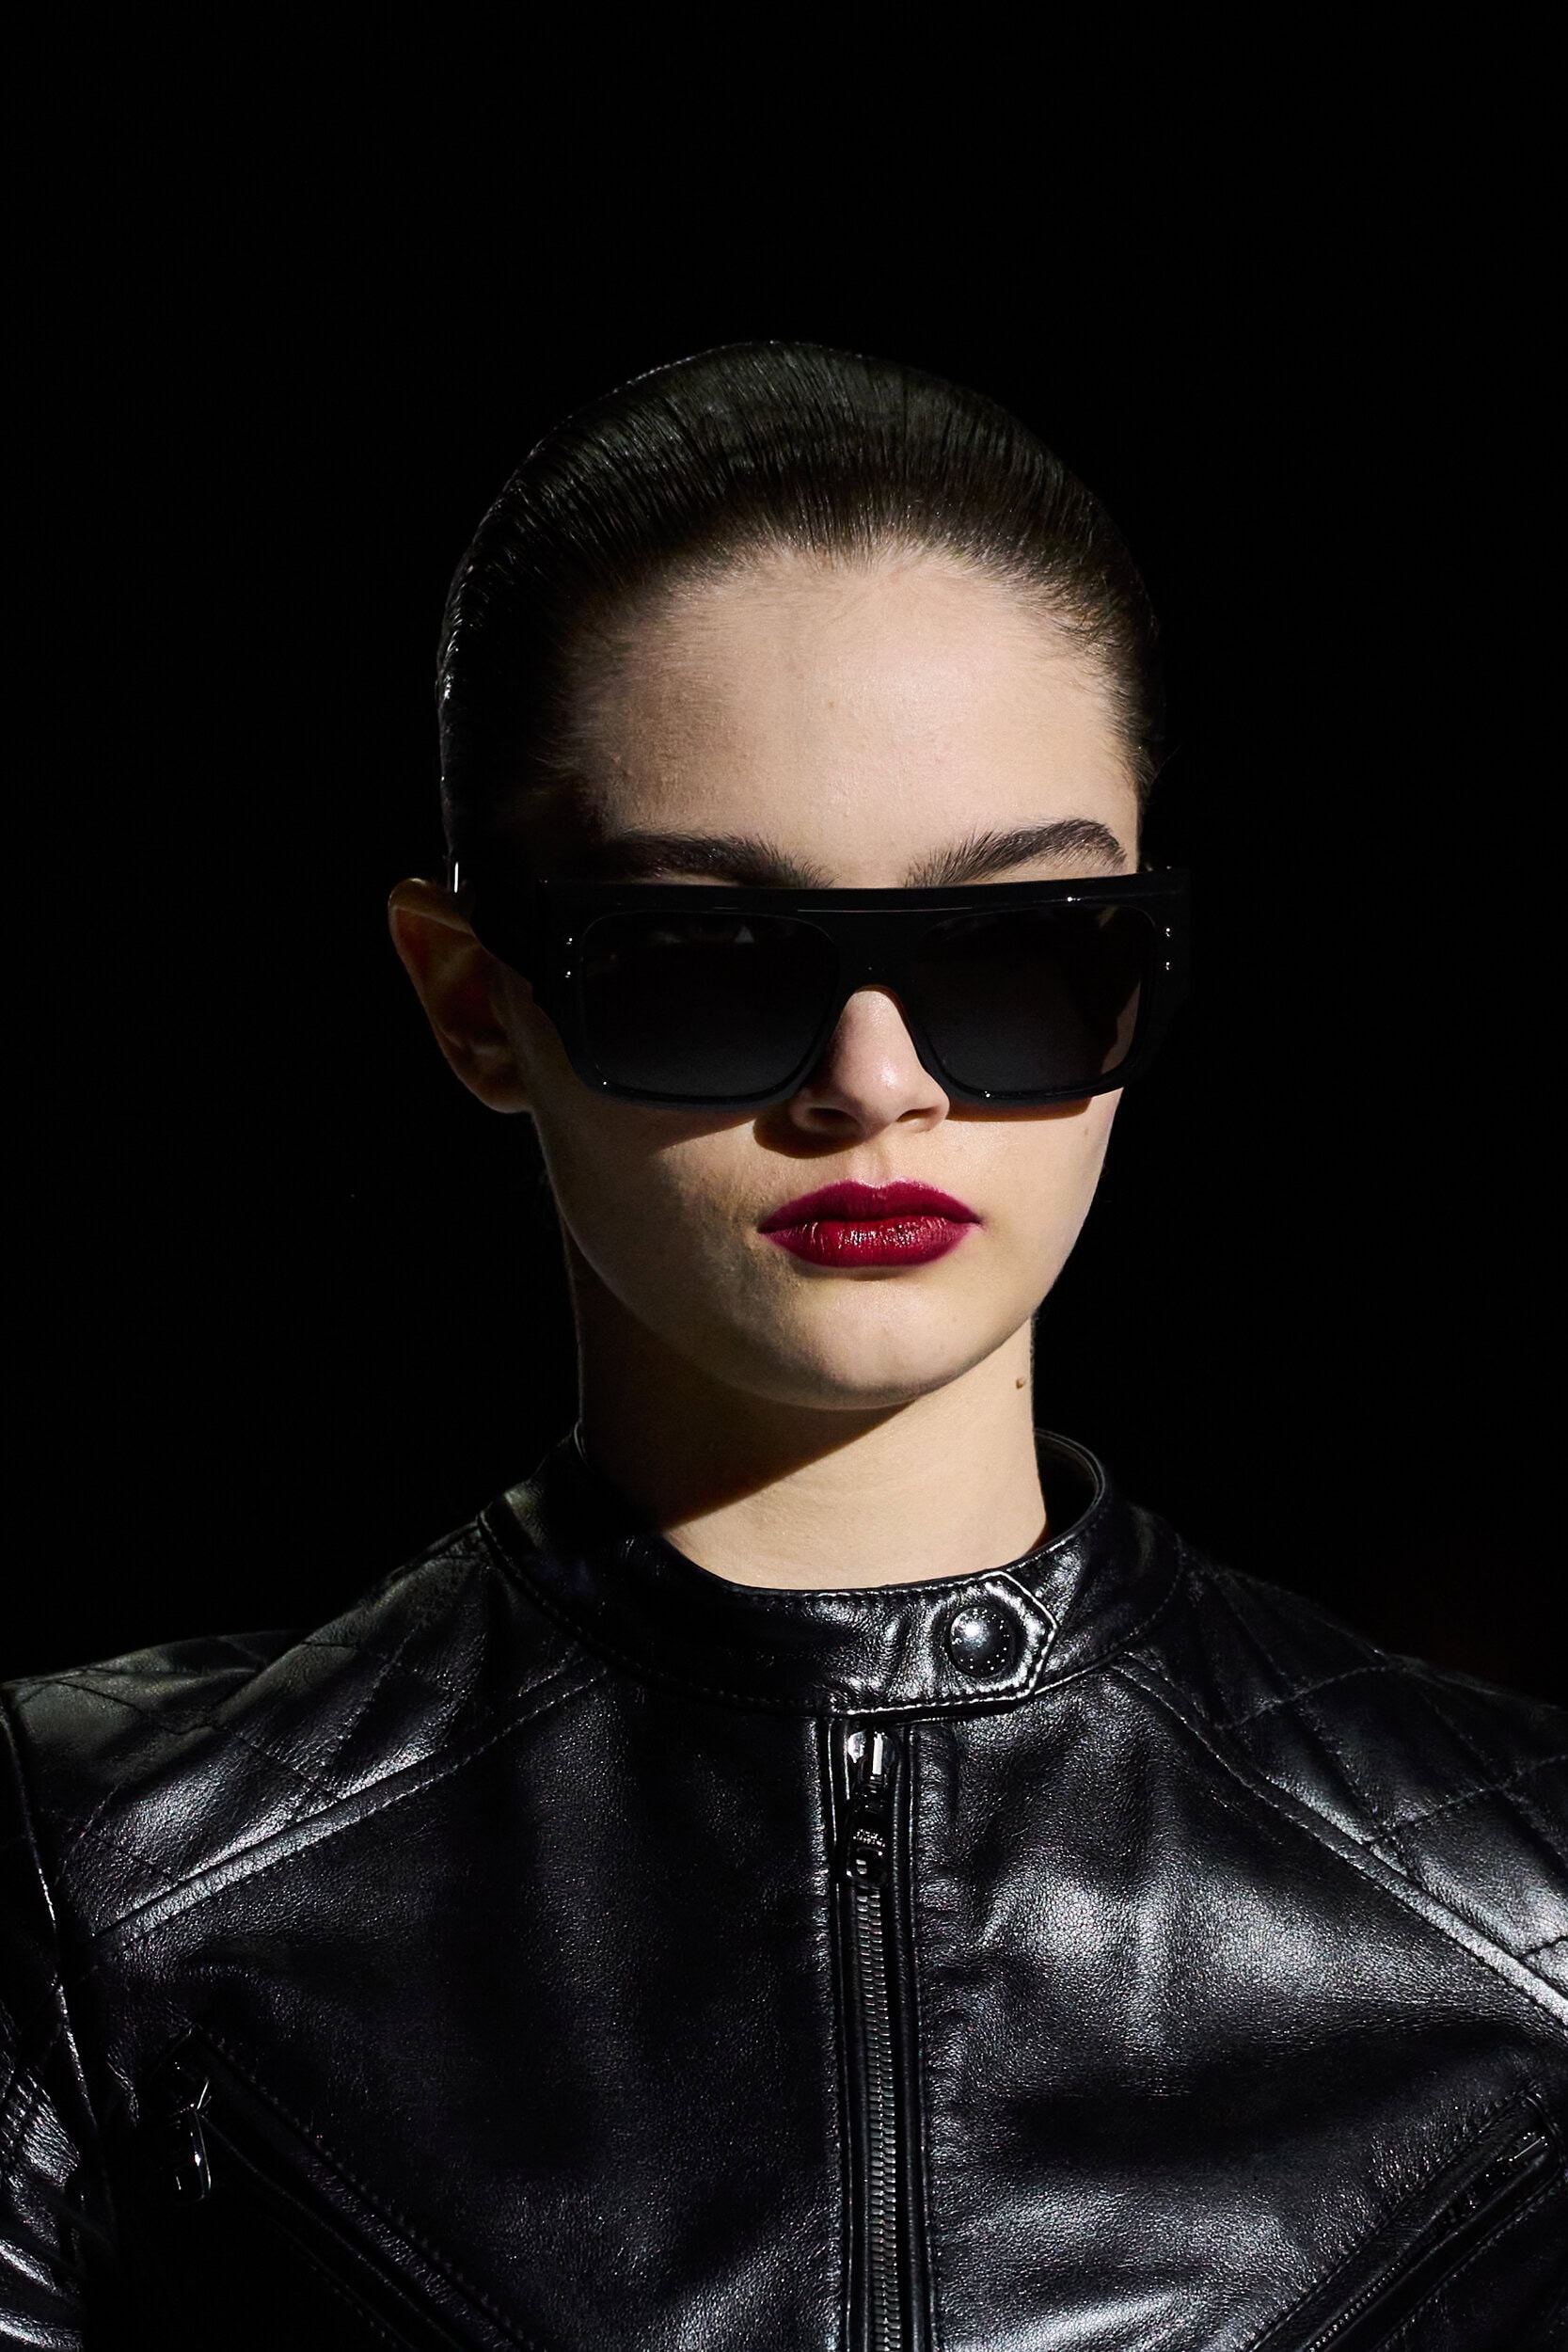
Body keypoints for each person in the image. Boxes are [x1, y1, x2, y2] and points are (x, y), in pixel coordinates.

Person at [3, 342, 1564, 2351]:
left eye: (1016, 949)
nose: (876, 1080)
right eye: (706, 957)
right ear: (471, 999)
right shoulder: (108, 1891)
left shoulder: (1524, 1912)